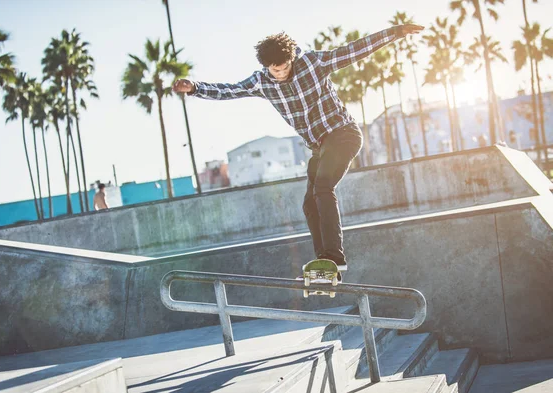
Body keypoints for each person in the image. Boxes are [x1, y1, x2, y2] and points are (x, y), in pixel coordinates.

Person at [173, 24, 424, 280]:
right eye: (274, 69)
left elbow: (354, 51)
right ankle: (325, 266)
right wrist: (195, 88)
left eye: (284, 67)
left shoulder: (314, 63)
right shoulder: (261, 81)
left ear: (291, 58)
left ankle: (335, 258)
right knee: (309, 202)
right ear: (266, 66)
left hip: (343, 134)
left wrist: (396, 31)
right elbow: (230, 90)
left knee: (323, 187)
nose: (280, 74)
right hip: (319, 148)